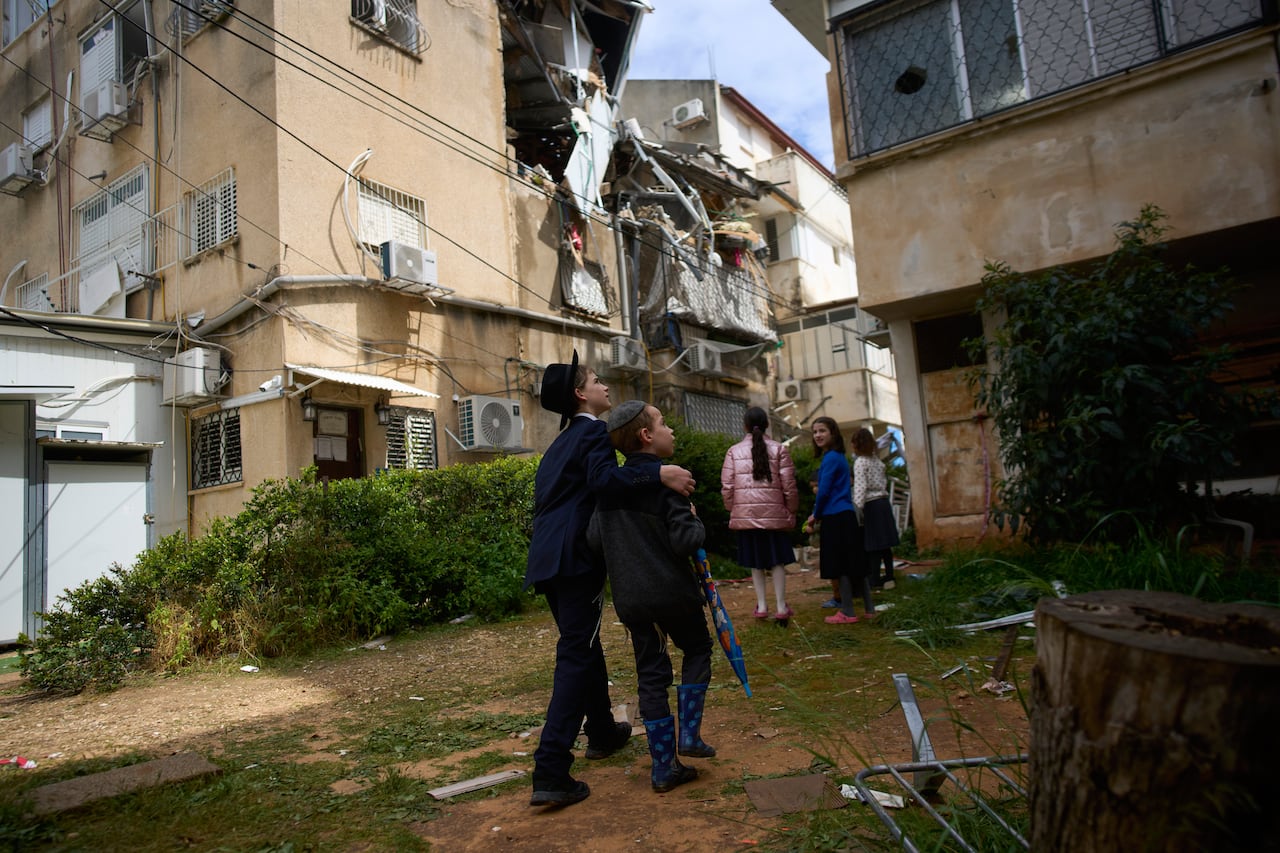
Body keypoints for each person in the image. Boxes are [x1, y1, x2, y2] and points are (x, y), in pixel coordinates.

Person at [524, 352, 695, 808]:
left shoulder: (561, 442)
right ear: (582, 394)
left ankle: (601, 730)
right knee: (576, 655)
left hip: (546, 559)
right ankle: (551, 769)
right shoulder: (595, 433)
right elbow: (604, 481)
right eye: (597, 380)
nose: (605, 387)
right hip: (575, 561)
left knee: (584, 644)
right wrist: (660, 472)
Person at [587, 400, 714, 794]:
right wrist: (694, 519)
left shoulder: (609, 489)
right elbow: (684, 541)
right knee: (697, 649)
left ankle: (663, 767)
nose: (670, 430)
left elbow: (594, 540)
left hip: (633, 601)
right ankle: (689, 735)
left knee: (652, 676)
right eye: (663, 423)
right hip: (674, 594)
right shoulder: (669, 483)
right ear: (646, 436)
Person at [721, 406, 798, 625]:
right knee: (777, 562)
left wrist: (733, 510)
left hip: (746, 516)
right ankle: (782, 607)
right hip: (775, 517)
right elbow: (789, 486)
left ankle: (762, 606)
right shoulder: (779, 450)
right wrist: (791, 509)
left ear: (744, 426)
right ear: (767, 425)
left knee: (756, 563)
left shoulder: (733, 452)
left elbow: (727, 487)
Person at [804, 417, 874, 625]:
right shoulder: (840, 457)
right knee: (856, 564)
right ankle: (869, 609)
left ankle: (848, 612)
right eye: (815, 431)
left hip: (835, 517)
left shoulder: (830, 458)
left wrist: (815, 515)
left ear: (833, 433)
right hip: (847, 515)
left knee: (841, 566)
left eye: (822, 430)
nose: (817, 435)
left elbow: (823, 491)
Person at [853, 428, 899, 590]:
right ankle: (890, 575)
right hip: (884, 503)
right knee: (885, 544)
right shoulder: (877, 461)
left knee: (872, 544)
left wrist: (857, 509)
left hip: (871, 505)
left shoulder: (860, 462)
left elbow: (860, 487)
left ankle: (874, 579)